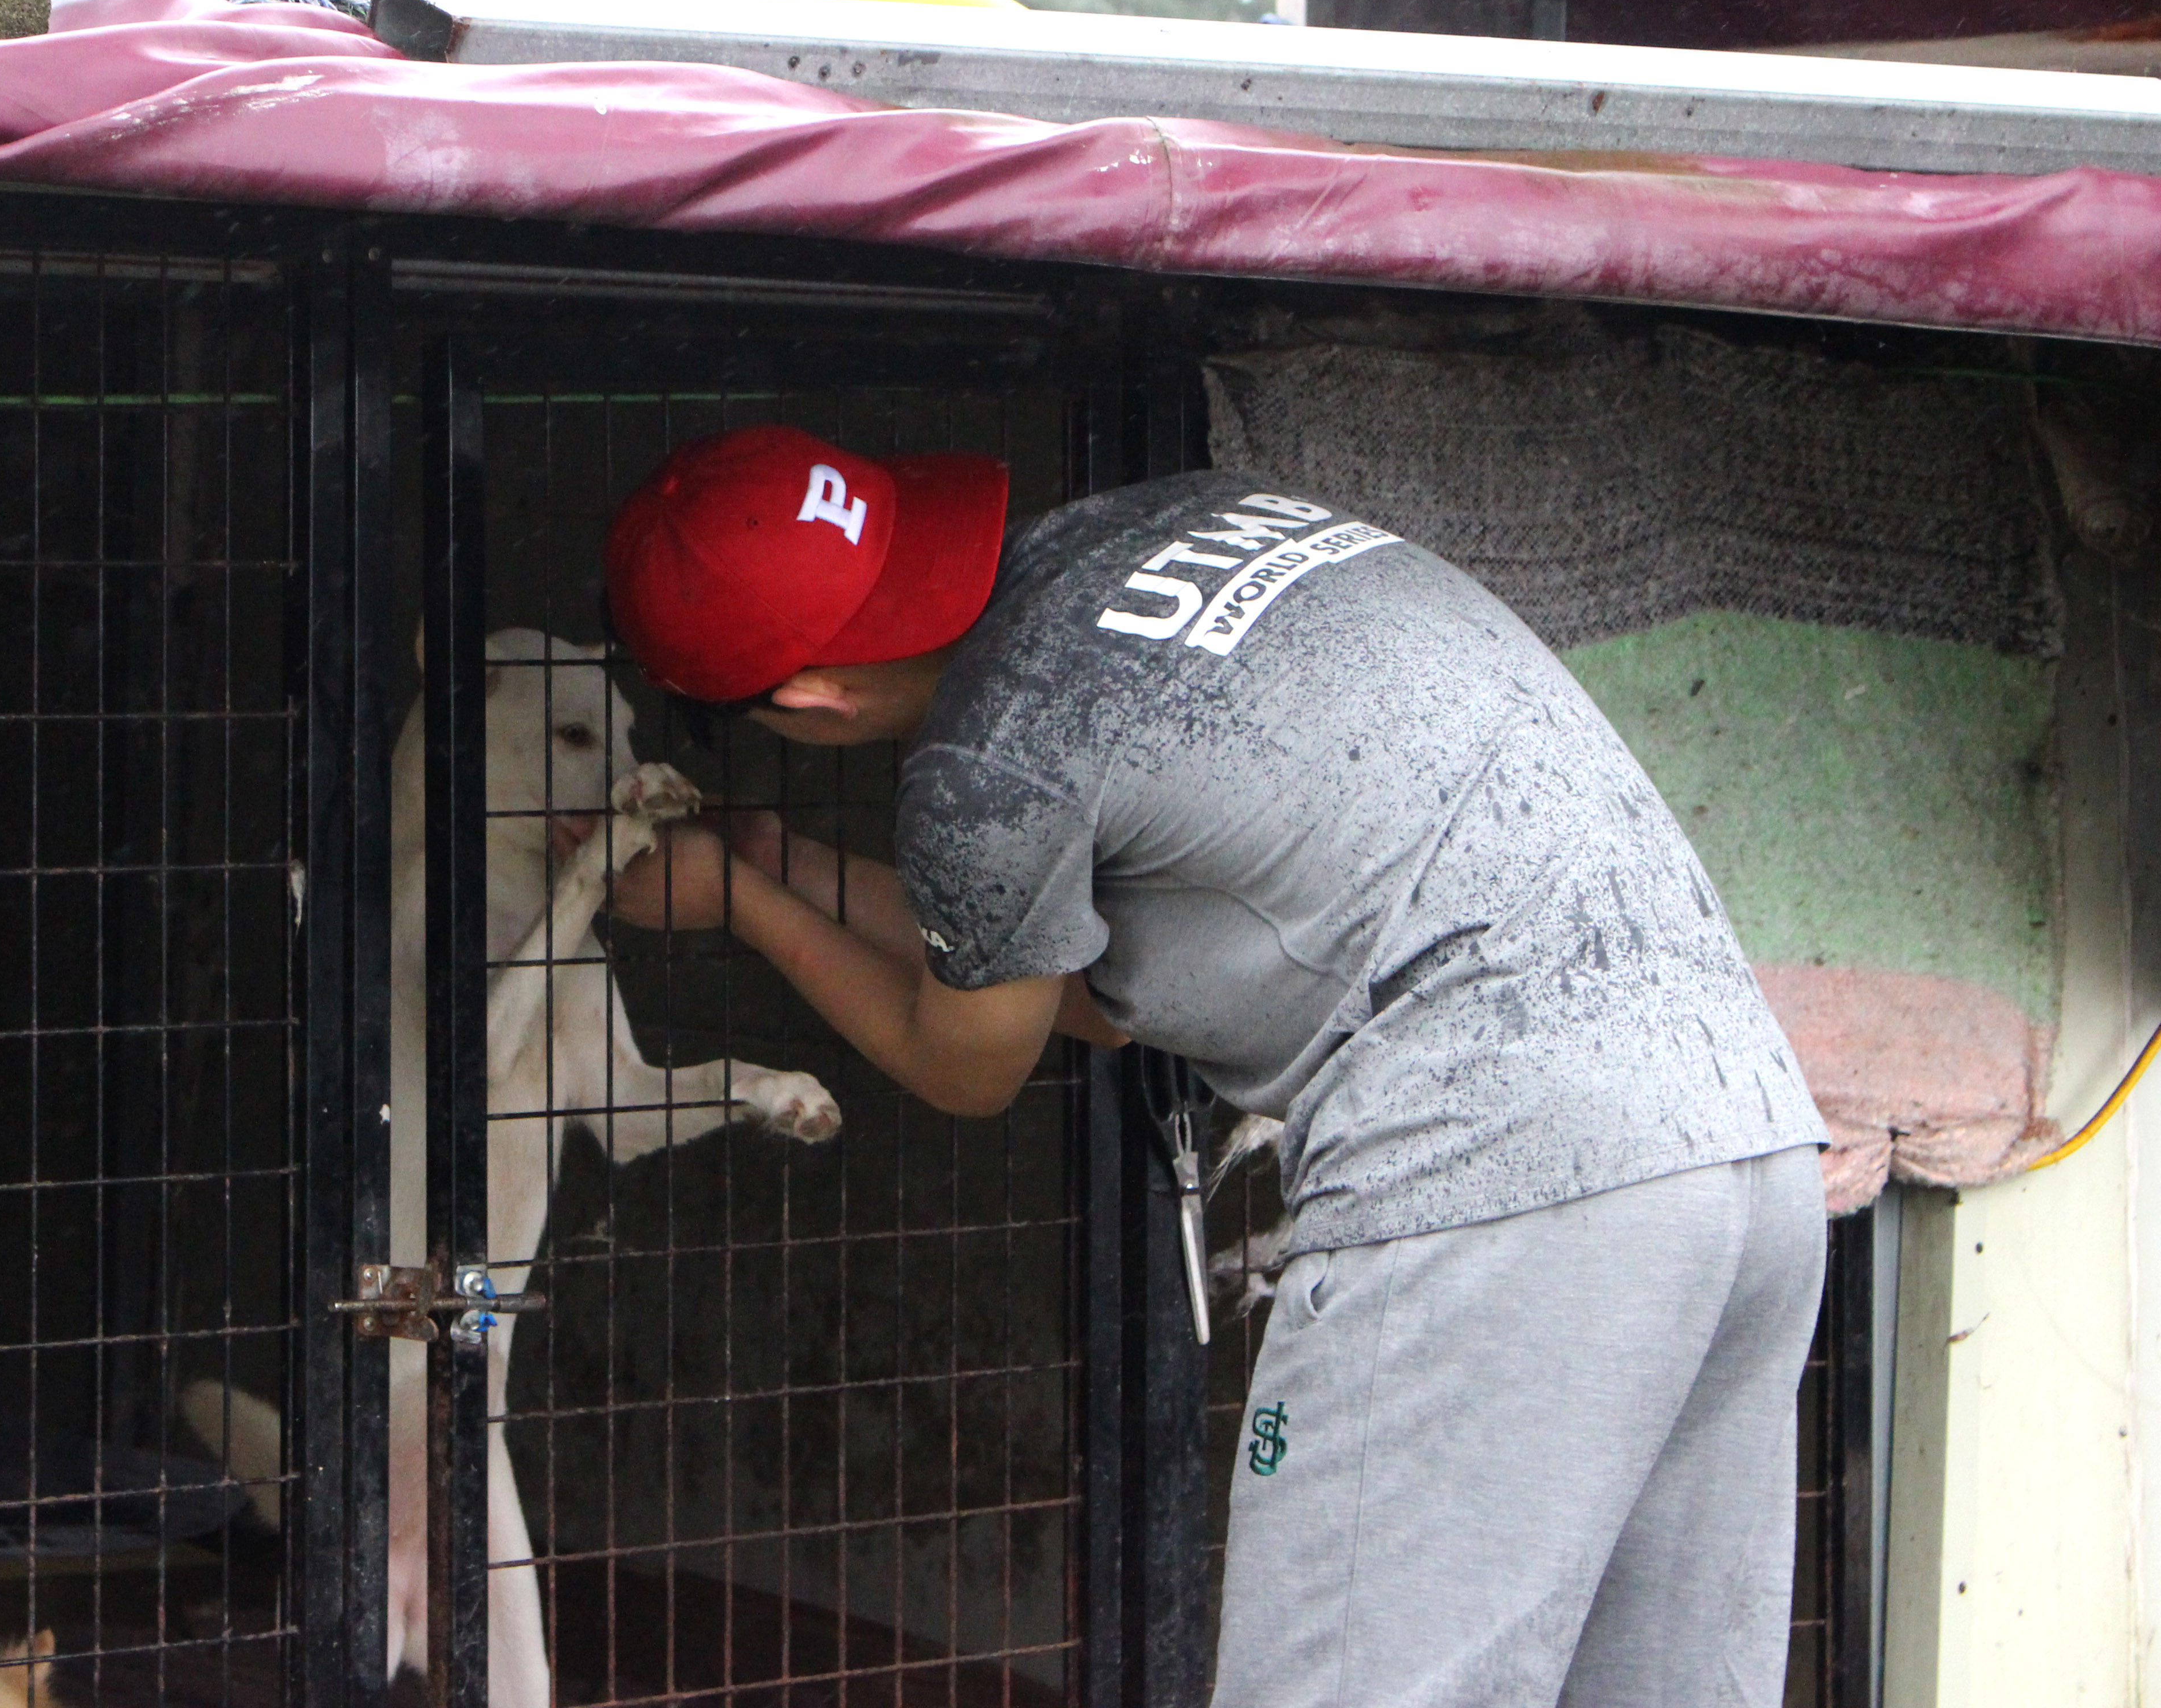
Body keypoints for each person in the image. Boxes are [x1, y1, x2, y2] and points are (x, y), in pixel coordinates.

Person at [599, 423, 1828, 1708]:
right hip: (1740, 1140)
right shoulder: (1174, 523)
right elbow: (1074, 989)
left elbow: (966, 1063)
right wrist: (792, 866)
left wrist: (743, 903)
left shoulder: (989, 758)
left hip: (1490, 1183)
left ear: (807, 701)